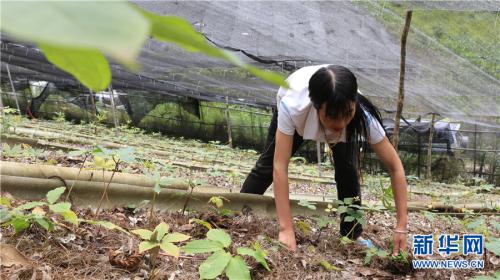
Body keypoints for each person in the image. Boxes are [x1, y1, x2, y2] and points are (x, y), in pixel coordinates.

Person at [240, 64, 408, 255]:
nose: (340, 124)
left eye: (347, 114)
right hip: (294, 99)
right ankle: (239, 213)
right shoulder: (293, 107)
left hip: (335, 100)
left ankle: (351, 234)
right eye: (332, 117)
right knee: (267, 165)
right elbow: (280, 167)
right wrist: (286, 229)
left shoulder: (361, 116)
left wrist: (401, 225)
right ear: (317, 108)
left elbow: (396, 167)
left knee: (348, 172)